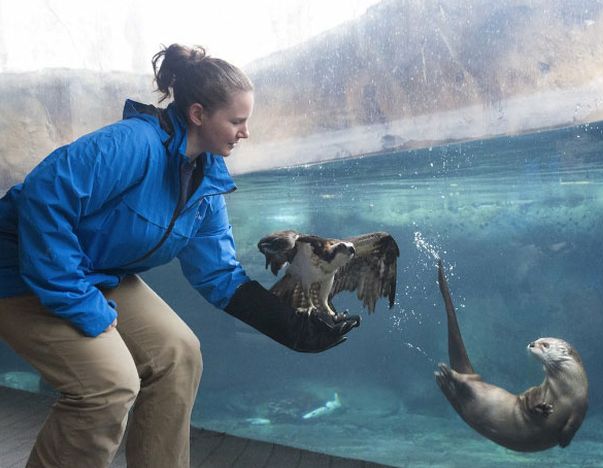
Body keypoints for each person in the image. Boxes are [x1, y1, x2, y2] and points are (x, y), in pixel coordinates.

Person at [0, 44, 360, 468]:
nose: (245, 132)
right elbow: (45, 197)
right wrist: (81, 303)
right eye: (237, 121)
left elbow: (220, 275)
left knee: (179, 354)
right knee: (109, 385)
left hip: (94, 272)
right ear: (197, 114)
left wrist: (291, 330)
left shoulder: (206, 183)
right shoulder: (132, 144)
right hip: (21, 266)